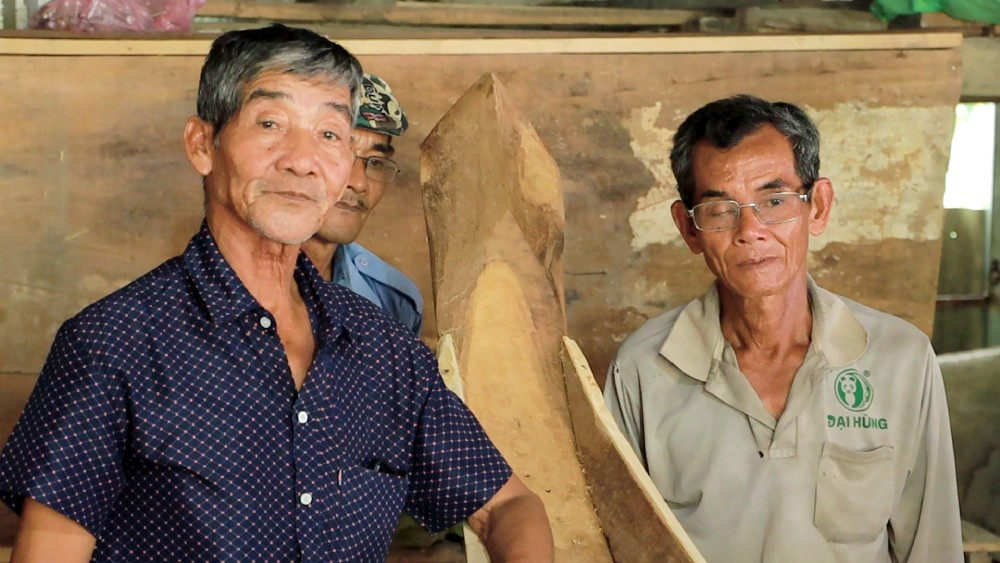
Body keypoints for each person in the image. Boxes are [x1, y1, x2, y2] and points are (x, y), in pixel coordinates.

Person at [0, 24, 553, 563]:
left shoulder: (383, 350)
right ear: (202, 145)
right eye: (271, 122)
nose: (302, 159)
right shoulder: (112, 345)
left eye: (330, 134)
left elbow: (509, 506)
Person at [604, 94, 962, 562]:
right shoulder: (643, 371)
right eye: (719, 210)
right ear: (688, 228)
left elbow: (933, 547)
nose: (750, 230)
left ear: (818, 207)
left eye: (774, 201)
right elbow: (611, 542)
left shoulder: (900, 358)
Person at [302, 73, 423, 336]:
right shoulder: (225, 285)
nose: (359, 183)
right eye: (340, 153)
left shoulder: (394, 302)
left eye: (376, 162)